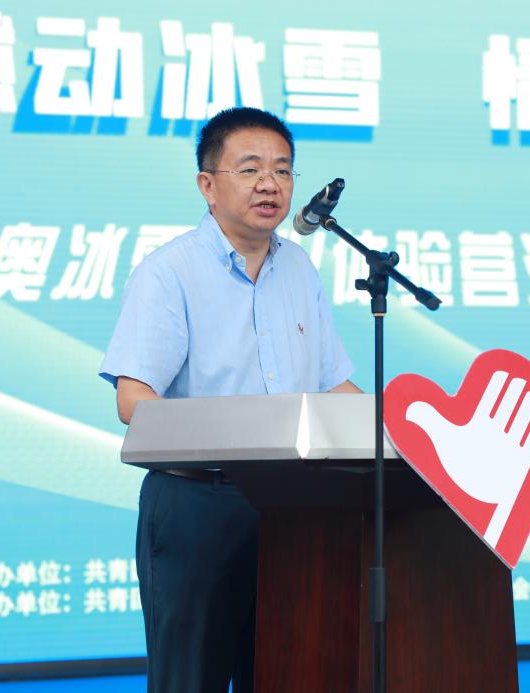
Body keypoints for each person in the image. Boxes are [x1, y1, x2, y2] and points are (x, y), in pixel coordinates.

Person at [99, 107, 360, 693]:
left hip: (295, 504)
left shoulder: (299, 269)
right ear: (208, 185)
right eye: (250, 169)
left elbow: (331, 384)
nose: (270, 184)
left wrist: (397, 430)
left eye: (282, 170)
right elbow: (133, 399)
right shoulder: (169, 272)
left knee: (287, 669)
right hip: (200, 502)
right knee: (191, 678)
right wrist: (231, 434)